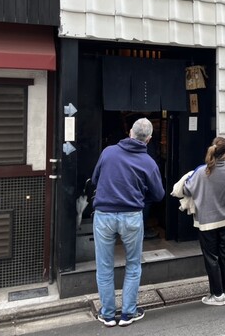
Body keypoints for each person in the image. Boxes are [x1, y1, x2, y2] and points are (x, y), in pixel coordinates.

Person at [91, 118, 165, 327]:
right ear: (149, 139)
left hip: (104, 215)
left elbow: (95, 179)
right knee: (133, 265)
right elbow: (159, 194)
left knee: (104, 266)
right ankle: (128, 313)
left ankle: (107, 314)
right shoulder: (148, 162)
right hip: (131, 215)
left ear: (130, 132)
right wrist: (141, 194)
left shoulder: (108, 152)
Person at [183, 137, 225, 306]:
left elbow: (186, 189)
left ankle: (217, 294)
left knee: (211, 257)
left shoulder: (201, 172)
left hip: (207, 221)